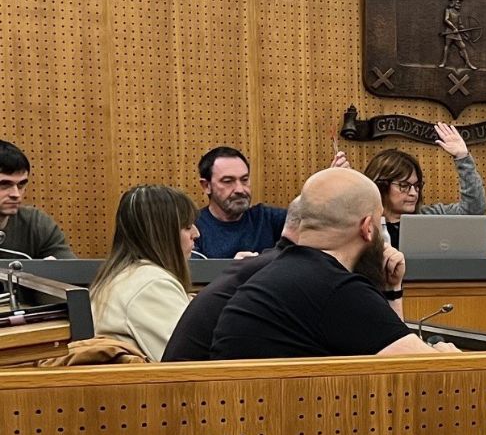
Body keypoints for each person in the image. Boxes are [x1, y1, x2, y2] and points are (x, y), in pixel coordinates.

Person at [210, 169, 456, 359]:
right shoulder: (335, 289)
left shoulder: (284, 272)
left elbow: (391, 346)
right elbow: (423, 368)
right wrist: (449, 354)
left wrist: (391, 290)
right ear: (367, 228)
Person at [162, 197, 304, 361]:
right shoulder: (155, 285)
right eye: (187, 227)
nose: (197, 234)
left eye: (245, 182)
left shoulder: (266, 217)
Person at [89, 185, 199, 361]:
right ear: (162, 234)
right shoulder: (151, 285)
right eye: (187, 227)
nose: (196, 233)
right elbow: (191, 362)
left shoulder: (125, 277)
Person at [347, 123, 486, 248]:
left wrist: (463, 158)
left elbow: (473, 211)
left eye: (417, 185)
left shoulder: (429, 217)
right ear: (381, 186)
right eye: (404, 185)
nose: (414, 193)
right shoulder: (362, 224)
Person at [193, 146, 287, 259]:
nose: (240, 190)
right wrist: (232, 266)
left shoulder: (268, 219)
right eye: (228, 181)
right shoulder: (192, 229)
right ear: (206, 186)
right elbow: (193, 269)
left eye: (244, 180)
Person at [0, 140, 72, 259]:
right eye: (4, 184)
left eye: (21, 185)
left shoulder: (36, 224)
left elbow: (69, 268)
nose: (16, 194)